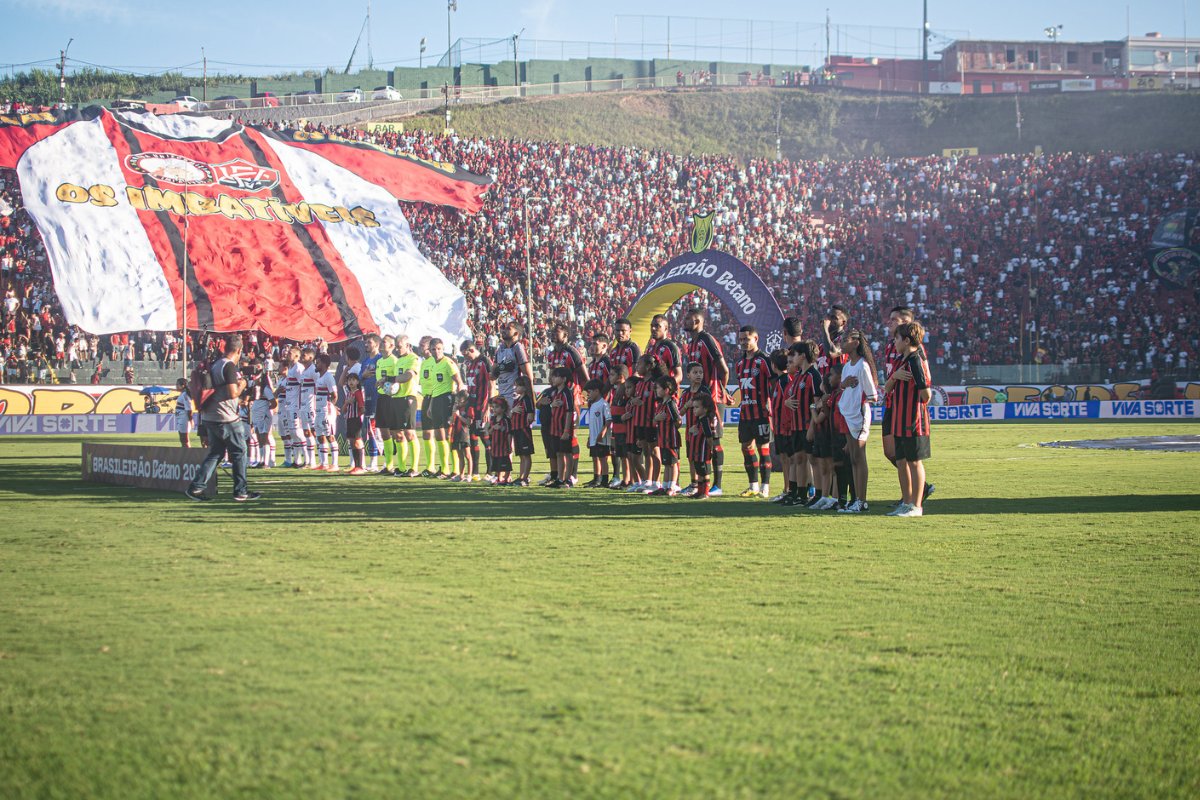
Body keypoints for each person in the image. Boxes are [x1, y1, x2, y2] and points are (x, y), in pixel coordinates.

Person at [185, 335, 260, 502]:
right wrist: (243, 385)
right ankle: (240, 491)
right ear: (239, 350)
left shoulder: (215, 364)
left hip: (210, 416)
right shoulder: (228, 366)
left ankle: (196, 487)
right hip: (226, 417)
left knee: (216, 453)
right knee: (239, 451)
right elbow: (232, 393)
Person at [880, 306, 935, 505]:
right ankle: (913, 493)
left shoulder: (915, 350)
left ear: (905, 323)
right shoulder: (891, 346)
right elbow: (889, 377)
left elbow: (925, 380)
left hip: (907, 408)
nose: (890, 322)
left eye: (894, 319)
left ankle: (913, 496)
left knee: (907, 457)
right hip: (892, 403)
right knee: (891, 452)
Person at [838, 329, 879, 513]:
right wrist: (845, 384)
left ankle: (862, 501)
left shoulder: (863, 366)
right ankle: (856, 499)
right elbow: (842, 386)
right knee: (853, 458)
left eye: (845, 340)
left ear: (855, 343)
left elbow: (872, 396)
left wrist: (860, 397)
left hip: (859, 414)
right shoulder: (847, 365)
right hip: (847, 413)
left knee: (859, 457)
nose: (841, 343)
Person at [733, 325, 773, 498]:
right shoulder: (739, 364)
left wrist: (770, 402)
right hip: (745, 414)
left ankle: (765, 486)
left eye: (746, 339)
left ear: (755, 339)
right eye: (741, 339)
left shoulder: (764, 360)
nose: (743, 342)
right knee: (746, 447)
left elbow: (774, 382)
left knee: (763, 447)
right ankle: (753, 486)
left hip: (761, 414)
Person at [418, 337, 463, 478]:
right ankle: (444, 469)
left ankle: (455, 469)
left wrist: (457, 404)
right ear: (430, 350)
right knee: (439, 435)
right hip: (436, 400)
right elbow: (435, 388)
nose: (437, 352)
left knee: (449, 435)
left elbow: (459, 383)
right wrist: (431, 406)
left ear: (443, 349)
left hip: (447, 399)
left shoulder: (448, 363)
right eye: (434, 349)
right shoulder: (433, 364)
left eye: (439, 349)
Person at [460, 339, 493, 481]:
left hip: (482, 407)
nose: (465, 358)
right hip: (471, 407)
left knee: (486, 440)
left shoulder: (484, 361)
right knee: (472, 439)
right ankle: (475, 472)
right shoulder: (469, 364)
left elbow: (491, 384)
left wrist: (488, 407)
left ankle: (490, 472)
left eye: (466, 354)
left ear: (472, 350)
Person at [545, 366, 578, 488]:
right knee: (559, 453)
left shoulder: (567, 393)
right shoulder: (554, 392)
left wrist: (566, 430)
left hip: (563, 428)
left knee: (567, 453)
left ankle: (568, 479)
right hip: (554, 428)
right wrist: (551, 405)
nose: (553, 378)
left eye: (556, 376)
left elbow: (569, 412)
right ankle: (560, 478)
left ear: (564, 379)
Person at [650, 375, 682, 496]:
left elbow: (678, 420)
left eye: (658, 388)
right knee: (667, 464)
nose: (656, 390)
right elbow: (655, 421)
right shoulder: (660, 404)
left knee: (672, 463)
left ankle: (672, 487)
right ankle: (665, 486)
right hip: (663, 439)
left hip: (671, 440)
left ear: (667, 390)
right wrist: (656, 418)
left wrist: (672, 429)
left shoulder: (670, 403)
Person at [686, 390, 720, 500]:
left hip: (703, 452)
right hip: (697, 452)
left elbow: (709, 437)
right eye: (693, 407)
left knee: (704, 472)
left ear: (705, 409)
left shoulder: (705, 421)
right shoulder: (700, 420)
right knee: (699, 472)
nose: (694, 410)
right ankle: (699, 492)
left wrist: (711, 449)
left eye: (697, 407)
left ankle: (705, 492)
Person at [492, 321, 534, 405]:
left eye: (508, 329)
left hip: (514, 396)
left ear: (516, 333)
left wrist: (530, 400)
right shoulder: (500, 349)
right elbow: (493, 375)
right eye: (504, 328)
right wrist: (500, 368)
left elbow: (528, 375)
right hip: (502, 394)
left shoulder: (517, 348)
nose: (504, 331)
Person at [247, 358, 277, 469]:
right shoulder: (255, 390)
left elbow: (273, 403)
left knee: (264, 436)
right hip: (256, 413)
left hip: (263, 413)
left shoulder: (265, 389)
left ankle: (266, 462)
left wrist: (266, 409)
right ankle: (260, 460)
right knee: (259, 436)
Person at [583, 379, 612, 488]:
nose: (588, 395)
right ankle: (596, 479)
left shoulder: (604, 404)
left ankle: (604, 481)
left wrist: (602, 432)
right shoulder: (592, 405)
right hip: (594, 437)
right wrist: (590, 437)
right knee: (595, 457)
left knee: (603, 458)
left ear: (597, 391)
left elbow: (608, 420)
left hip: (601, 438)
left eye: (589, 392)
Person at [607, 364, 632, 489]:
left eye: (612, 375)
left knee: (627, 455)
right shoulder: (616, 390)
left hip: (625, 429)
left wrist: (624, 417)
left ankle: (630, 480)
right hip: (617, 428)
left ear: (621, 377)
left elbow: (630, 408)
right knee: (622, 455)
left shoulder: (626, 391)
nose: (609, 377)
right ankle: (625, 479)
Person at [313, 353, 340, 471]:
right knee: (320, 436)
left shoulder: (328, 377)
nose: (316, 364)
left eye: (318, 362)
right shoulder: (319, 377)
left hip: (326, 411)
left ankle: (335, 464)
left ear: (324, 364)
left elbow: (334, 395)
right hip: (318, 411)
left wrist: (331, 406)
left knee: (330, 436)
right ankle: (323, 463)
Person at [508, 375, 535, 486]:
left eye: (518, 386)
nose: (515, 388)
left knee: (526, 455)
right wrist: (513, 410)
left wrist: (526, 421)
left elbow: (530, 416)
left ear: (524, 387)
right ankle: (521, 476)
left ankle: (525, 477)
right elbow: (510, 415)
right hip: (516, 430)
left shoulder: (527, 400)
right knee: (521, 455)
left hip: (523, 430)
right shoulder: (517, 400)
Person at [341, 371, 368, 474]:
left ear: (357, 382)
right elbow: (344, 410)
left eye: (353, 380)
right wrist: (347, 403)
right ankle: (356, 466)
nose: (351, 382)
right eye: (349, 380)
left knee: (357, 441)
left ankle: (361, 466)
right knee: (352, 442)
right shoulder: (348, 393)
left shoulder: (358, 392)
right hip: (349, 419)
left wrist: (360, 416)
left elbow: (362, 407)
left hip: (356, 419)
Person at [647, 314, 684, 386]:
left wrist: (664, 387)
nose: (653, 328)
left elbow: (679, 376)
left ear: (666, 328)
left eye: (657, 326)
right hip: (652, 391)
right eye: (652, 326)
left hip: (665, 391)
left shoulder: (671, 347)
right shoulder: (651, 348)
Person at [298, 345, 319, 469]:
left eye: (304, 355)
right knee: (306, 432)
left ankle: (322, 460)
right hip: (303, 405)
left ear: (311, 357)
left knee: (315, 431)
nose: (301, 357)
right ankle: (310, 461)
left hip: (312, 405)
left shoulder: (314, 370)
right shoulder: (304, 371)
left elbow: (318, 386)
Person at [485, 396, 513, 485]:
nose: (494, 409)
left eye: (496, 407)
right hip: (495, 446)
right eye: (493, 407)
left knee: (505, 462)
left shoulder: (506, 420)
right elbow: (489, 432)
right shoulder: (493, 419)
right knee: (496, 463)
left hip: (503, 445)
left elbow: (509, 433)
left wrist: (509, 445)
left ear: (503, 408)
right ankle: (499, 478)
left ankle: (507, 478)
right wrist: (493, 427)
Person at [449, 390, 472, 481]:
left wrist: (459, 416)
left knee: (467, 455)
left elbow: (468, 422)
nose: (458, 403)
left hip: (464, 434)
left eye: (460, 401)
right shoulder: (456, 409)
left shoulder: (468, 409)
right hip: (456, 434)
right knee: (460, 456)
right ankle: (461, 475)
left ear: (465, 401)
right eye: (456, 401)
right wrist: (453, 413)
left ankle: (469, 475)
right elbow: (451, 421)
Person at [174, 377, 192, 448]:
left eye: (177, 384)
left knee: (185, 440)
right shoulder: (182, 394)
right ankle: (185, 452)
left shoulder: (185, 395)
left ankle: (188, 453)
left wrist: (191, 420)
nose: (176, 386)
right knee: (182, 439)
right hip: (180, 418)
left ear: (183, 385)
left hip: (184, 418)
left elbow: (189, 409)